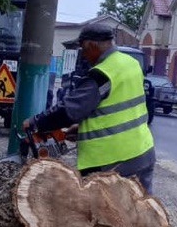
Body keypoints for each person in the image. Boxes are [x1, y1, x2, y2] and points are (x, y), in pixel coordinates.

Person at [23, 23, 156, 193]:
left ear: (91, 45)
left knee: (100, 214)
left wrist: (36, 122)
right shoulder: (131, 64)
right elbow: (121, 105)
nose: (84, 56)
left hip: (112, 162)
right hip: (143, 152)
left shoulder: (102, 74)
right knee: (142, 210)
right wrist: (83, 128)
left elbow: (69, 110)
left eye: (84, 50)